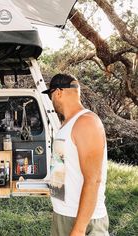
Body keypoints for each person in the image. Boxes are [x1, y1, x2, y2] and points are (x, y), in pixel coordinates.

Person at [42, 74, 109, 236]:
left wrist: (79, 229)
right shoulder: (67, 124)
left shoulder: (86, 122)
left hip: (82, 220)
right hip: (65, 214)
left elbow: (94, 180)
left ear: (58, 92)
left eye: (51, 95)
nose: (52, 100)